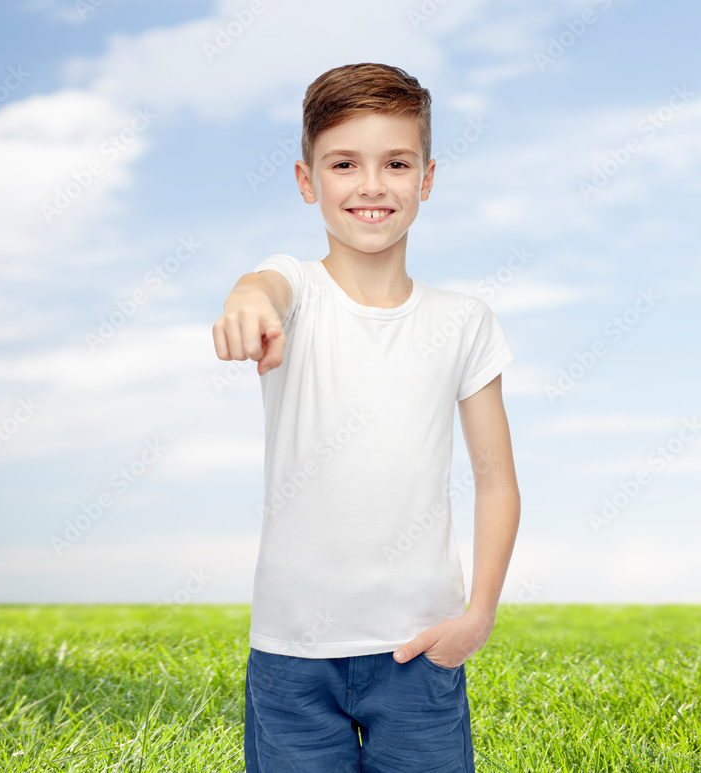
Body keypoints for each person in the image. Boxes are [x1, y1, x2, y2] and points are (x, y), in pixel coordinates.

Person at [212, 62, 520, 773]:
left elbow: (497, 481)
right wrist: (246, 300)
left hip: (419, 649)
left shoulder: (464, 321)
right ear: (306, 179)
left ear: (428, 177)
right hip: (292, 655)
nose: (372, 185)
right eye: (344, 163)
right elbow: (264, 283)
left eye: (396, 162)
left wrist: (478, 615)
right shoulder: (294, 291)